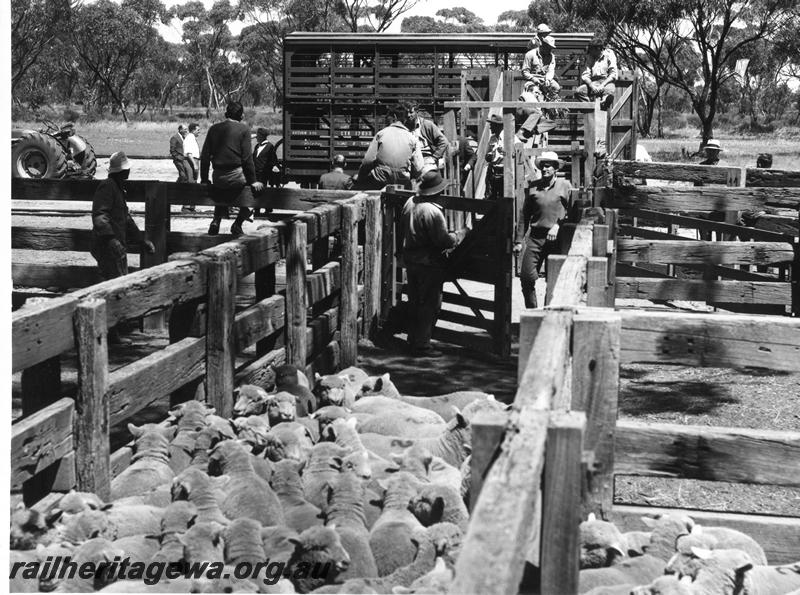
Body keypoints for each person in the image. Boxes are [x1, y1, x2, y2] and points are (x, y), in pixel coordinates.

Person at [400, 170, 469, 357]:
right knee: (430, 303)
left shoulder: (410, 202)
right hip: (428, 262)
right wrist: (459, 235)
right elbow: (443, 241)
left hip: (411, 259)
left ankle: (412, 338)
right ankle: (422, 344)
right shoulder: (432, 211)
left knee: (414, 300)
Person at [513, 150, 571, 308]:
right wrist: (518, 240)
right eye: (543, 166)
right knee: (526, 277)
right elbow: (525, 214)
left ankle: (548, 313)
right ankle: (533, 312)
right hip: (535, 238)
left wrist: (558, 225)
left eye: (549, 166)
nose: (545, 169)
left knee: (553, 280)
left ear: (555, 169)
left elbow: (572, 212)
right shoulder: (533, 188)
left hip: (556, 240)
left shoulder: (564, 186)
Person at [200, 101, 264, 236]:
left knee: (221, 194)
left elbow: (205, 156)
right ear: (241, 115)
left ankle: (216, 220)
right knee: (253, 197)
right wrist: (253, 181)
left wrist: (204, 179)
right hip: (236, 177)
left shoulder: (214, 129)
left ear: (225, 114)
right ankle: (238, 223)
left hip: (217, 177)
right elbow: (247, 159)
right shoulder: (244, 129)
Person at [91, 151, 155, 281]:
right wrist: (112, 240)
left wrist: (141, 240)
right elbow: (100, 216)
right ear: (122, 171)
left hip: (115, 245)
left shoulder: (117, 188)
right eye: (127, 168)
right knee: (115, 282)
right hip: (108, 246)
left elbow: (125, 219)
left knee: (118, 280)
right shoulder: (108, 186)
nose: (129, 170)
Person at [356, 103, 426, 190]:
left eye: (388, 117)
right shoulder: (412, 138)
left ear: (394, 117)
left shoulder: (381, 134)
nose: (386, 120)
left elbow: (368, 160)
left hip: (381, 180)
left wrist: (360, 177)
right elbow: (419, 167)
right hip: (403, 181)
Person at [575, 34, 617, 111]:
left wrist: (602, 85)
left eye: (592, 50)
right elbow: (585, 75)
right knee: (579, 91)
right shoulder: (589, 56)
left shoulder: (609, 54)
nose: (590, 52)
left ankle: (604, 103)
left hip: (607, 82)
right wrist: (592, 86)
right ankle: (590, 108)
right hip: (593, 82)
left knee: (608, 93)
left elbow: (613, 74)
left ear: (598, 49)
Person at [408, 104, 450, 171]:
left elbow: (444, 141)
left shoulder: (427, 125)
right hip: (411, 161)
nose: (408, 115)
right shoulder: (405, 126)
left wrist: (434, 157)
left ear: (417, 112)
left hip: (427, 161)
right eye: (406, 113)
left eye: (411, 112)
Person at [522, 35, 559, 99]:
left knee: (556, 87)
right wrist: (533, 78)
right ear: (543, 45)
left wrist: (548, 79)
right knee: (534, 90)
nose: (550, 50)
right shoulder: (530, 54)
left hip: (545, 79)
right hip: (532, 79)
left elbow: (551, 70)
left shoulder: (551, 56)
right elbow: (524, 71)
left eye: (551, 48)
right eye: (548, 48)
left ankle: (549, 105)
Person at [181, 123, 201, 213]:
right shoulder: (190, 138)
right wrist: (194, 164)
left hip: (193, 161)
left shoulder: (192, 138)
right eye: (198, 130)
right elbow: (189, 153)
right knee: (190, 183)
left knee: (193, 182)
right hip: (190, 161)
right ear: (193, 130)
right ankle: (186, 206)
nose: (199, 132)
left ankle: (191, 206)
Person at [485, 114, 506, 199]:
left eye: (492, 125)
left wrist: (505, 153)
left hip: (503, 172)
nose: (490, 127)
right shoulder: (492, 138)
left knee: (502, 196)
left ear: (498, 126)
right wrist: (489, 156)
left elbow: (515, 154)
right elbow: (486, 156)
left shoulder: (509, 138)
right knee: (490, 196)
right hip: (493, 172)